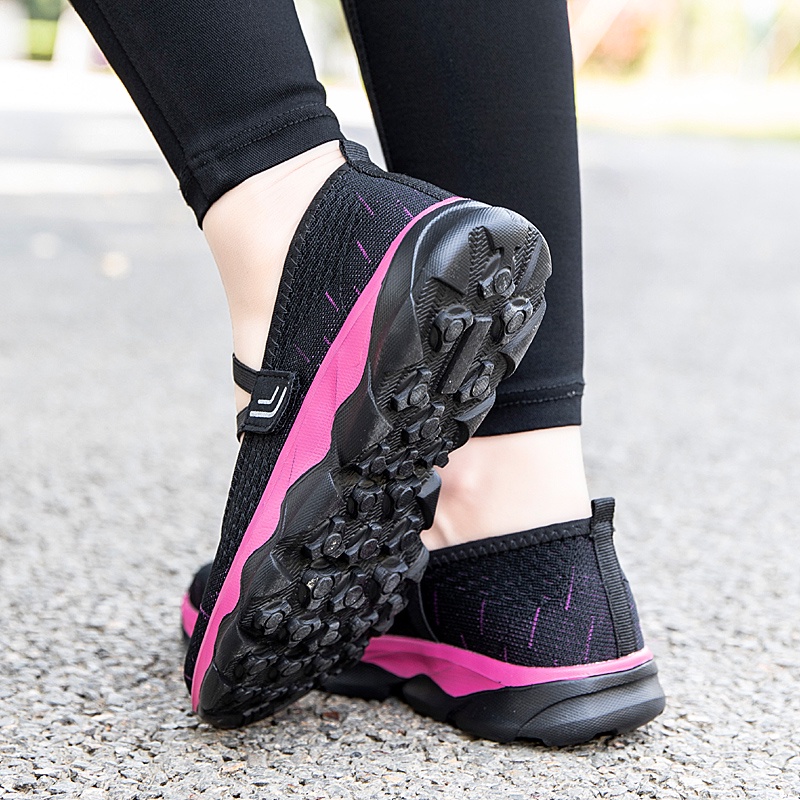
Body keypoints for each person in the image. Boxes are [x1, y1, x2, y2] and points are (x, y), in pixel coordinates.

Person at [69, 0, 665, 744]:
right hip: (555, 578)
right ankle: (525, 518)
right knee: (512, 489)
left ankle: (292, 219)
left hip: (315, 246)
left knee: (287, 200)